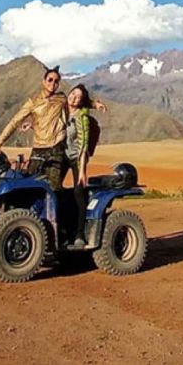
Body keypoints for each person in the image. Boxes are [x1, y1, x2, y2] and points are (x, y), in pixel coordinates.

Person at [0, 66, 69, 191]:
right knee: (29, 185)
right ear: (43, 82)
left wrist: (94, 104)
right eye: (50, 80)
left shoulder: (62, 99)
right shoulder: (33, 102)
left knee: (54, 188)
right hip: (38, 150)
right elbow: (15, 121)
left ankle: (56, 211)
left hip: (56, 149)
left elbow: (78, 101)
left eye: (56, 81)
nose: (53, 83)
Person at [65, 84, 107, 247]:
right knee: (53, 188)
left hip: (77, 157)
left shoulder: (82, 117)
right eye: (73, 94)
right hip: (63, 155)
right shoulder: (62, 107)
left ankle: (80, 234)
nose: (74, 98)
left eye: (78, 97)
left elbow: (83, 145)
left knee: (79, 191)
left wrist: (82, 170)